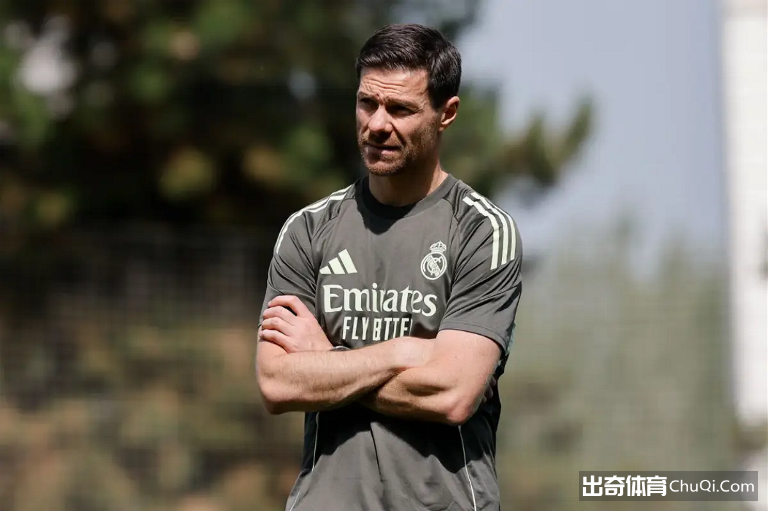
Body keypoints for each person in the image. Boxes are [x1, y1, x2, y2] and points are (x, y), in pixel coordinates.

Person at [256, 23, 522, 511]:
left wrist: (328, 360)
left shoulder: (481, 231)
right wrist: (403, 351)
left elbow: (452, 394)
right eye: (367, 103)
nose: (377, 124)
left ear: (447, 113)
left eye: (400, 109)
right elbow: (277, 382)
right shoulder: (307, 229)